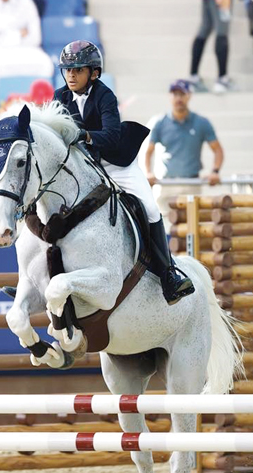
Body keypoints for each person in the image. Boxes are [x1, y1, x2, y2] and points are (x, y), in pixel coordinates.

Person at [54, 40, 194, 304]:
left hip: (114, 162)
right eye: (67, 70)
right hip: (82, 166)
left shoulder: (105, 95)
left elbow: (111, 135)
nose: (71, 75)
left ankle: (168, 275)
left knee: (151, 208)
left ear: (93, 72)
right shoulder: (59, 96)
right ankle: (42, 277)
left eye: (78, 70)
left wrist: (82, 134)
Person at [144, 79, 225, 214]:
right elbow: (147, 151)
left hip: (191, 184)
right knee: (164, 228)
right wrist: (148, 172)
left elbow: (218, 150)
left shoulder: (201, 122)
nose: (178, 98)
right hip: (166, 184)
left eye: (182, 94)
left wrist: (215, 172)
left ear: (189, 96)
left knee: (192, 228)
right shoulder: (160, 122)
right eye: (175, 94)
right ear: (170, 96)